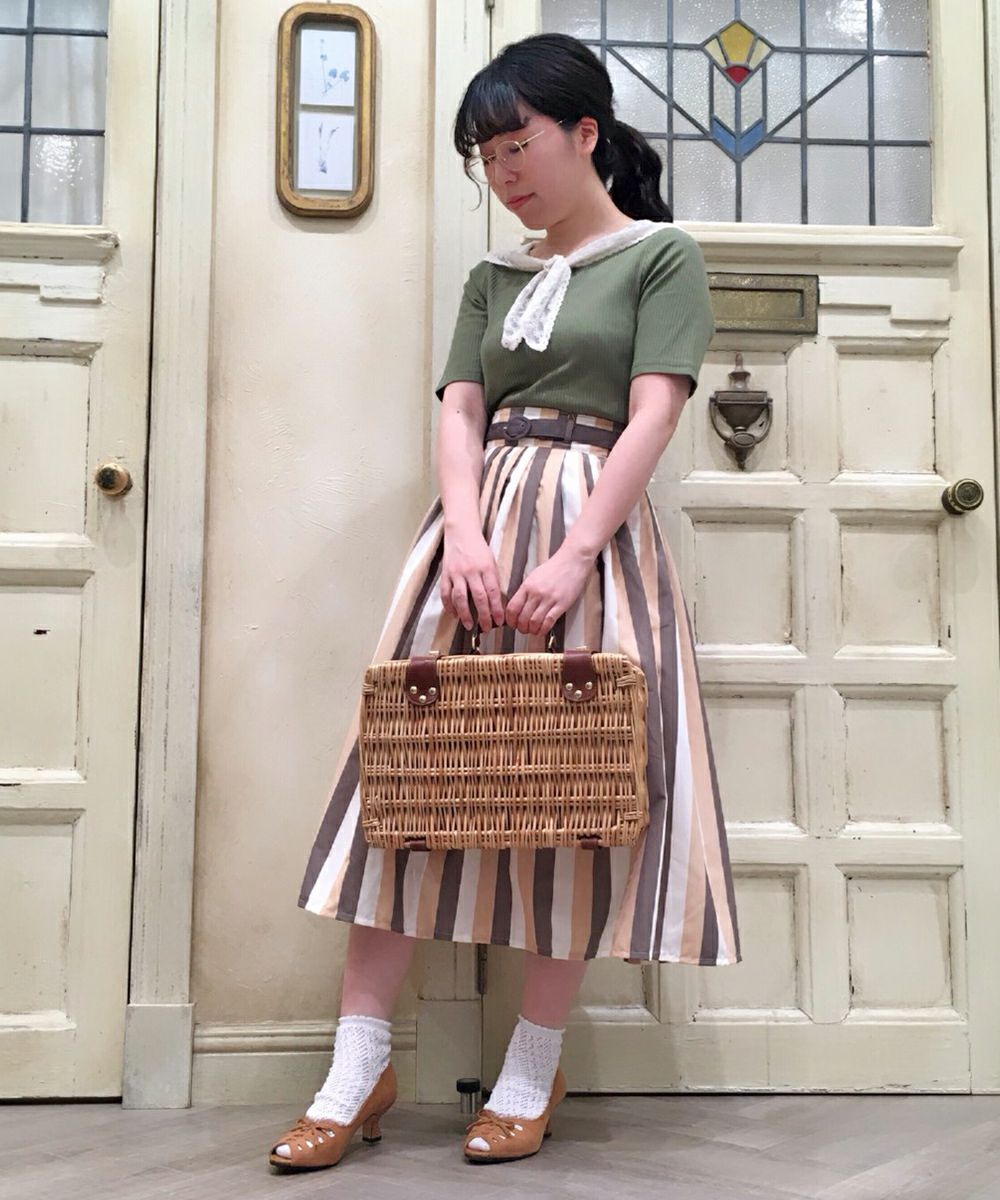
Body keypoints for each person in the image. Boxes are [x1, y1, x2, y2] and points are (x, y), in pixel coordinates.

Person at [268, 30, 741, 1173]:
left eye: (517, 145)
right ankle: (356, 1066)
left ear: (585, 132)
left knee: (573, 797)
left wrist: (575, 554)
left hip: (592, 539)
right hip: (471, 539)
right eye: (486, 156)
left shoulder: (662, 258)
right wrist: (468, 533)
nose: (503, 172)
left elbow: (653, 414)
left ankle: (531, 1069)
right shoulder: (492, 277)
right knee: (405, 786)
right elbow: (460, 410)